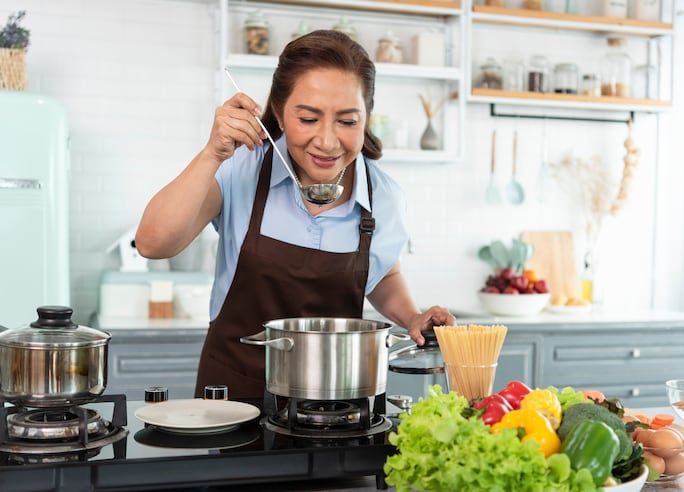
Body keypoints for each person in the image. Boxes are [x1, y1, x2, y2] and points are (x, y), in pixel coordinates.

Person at [135, 30, 456, 399]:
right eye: (308, 118)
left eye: (348, 121)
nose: (327, 141)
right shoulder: (241, 168)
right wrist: (212, 153)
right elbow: (152, 243)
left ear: (366, 118)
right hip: (234, 396)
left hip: (338, 399)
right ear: (278, 111)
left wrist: (412, 317)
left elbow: (384, 272)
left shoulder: (382, 195)